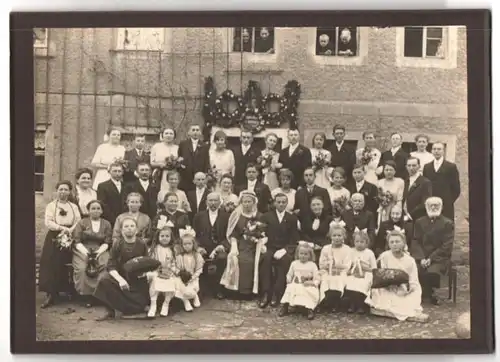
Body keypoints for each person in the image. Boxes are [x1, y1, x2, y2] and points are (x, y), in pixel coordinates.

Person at [93, 217, 150, 320]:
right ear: (122, 230)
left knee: (140, 303)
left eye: (132, 226)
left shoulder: (142, 244)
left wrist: (143, 273)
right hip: (121, 277)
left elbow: (146, 263)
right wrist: (120, 280)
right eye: (126, 226)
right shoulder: (117, 244)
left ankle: (134, 309)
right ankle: (110, 310)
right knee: (103, 279)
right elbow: (111, 265)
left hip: (136, 279)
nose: (129, 229)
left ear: (136, 229)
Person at [367, 229, 429, 323]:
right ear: (388, 244)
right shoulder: (385, 256)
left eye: (397, 241)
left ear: (403, 243)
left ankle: (405, 311)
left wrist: (407, 290)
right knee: (385, 299)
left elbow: (414, 280)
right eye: (392, 242)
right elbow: (383, 276)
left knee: (407, 301)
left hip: (405, 288)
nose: (394, 244)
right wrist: (390, 287)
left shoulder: (410, 260)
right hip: (388, 287)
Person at [39, 181, 82, 308]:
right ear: (57, 191)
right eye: (60, 189)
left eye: (66, 190)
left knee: (68, 262)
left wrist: (70, 230)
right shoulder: (51, 206)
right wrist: (62, 228)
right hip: (55, 236)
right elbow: (48, 222)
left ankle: (69, 291)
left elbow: (78, 220)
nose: (63, 192)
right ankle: (51, 293)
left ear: (70, 192)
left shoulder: (73, 206)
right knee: (52, 262)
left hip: (70, 235)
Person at [220, 191, 265, 299]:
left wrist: (259, 240)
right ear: (241, 202)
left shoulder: (259, 216)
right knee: (238, 258)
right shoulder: (237, 215)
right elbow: (233, 233)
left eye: (249, 202)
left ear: (254, 203)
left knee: (252, 260)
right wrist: (234, 245)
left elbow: (263, 232)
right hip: (240, 243)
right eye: (244, 202)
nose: (247, 204)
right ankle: (236, 291)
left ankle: (249, 292)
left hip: (255, 244)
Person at [410, 197, 454, 305]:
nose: (433, 207)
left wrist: (431, 258)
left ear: (441, 207)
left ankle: (430, 293)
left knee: (432, 271)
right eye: (431, 205)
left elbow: (447, 245)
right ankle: (420, 293)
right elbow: (416, 241)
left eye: (436, 205)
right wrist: (421, 258)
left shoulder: (447, 223)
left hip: (439, 257)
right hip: (422, 256)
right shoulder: (419, 222)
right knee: (415, 269)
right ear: (426, 207)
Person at [259, 193, 300, 308]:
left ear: (286, 203)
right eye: (278, 202)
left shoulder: (292, 218)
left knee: (285, 261)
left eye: (283, 202)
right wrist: (262, 243)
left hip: (284, 248)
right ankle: (266, 293)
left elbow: (294, 238)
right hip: (270, 247)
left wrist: (285, 249)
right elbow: (261, 234)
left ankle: (277, 293)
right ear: (274, 203)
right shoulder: (266, 216)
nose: (281, 204)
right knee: (265, 259)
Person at [72, 200, 112, 307]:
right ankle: (87, 296)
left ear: (102, 211)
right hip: (82, 249)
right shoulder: (82, 223)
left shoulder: (106, 223)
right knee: (82, 267)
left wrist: (98, 252)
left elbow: (107, 241)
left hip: (100, 249)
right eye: (93, 208)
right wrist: (87, 253)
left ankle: (100, 295)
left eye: (98, 208)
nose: (95, 211)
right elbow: (77, 240)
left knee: (105, 265)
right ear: (88, 210)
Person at [192, 192, 230, 299]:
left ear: (220, 202)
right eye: (210, 200)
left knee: (223, 258)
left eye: (215, 200)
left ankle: (218, 288)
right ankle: (201, 289)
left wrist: (222, 246)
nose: (213, 203)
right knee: (197, 258)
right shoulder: (199, 216)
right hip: (203, 247)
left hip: (219, 247)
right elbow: (194, 234)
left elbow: (230, 235)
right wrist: (198, 247)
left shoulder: (226, 216)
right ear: (206, 202)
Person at [278, 242, 320, 320]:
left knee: (308, 292)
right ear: (298, 254)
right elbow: (289, 274)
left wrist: (313, 283)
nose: (303, 256)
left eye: (305, 254)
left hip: (308, 284)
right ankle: (285, 306)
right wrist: (289, 279)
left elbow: (317, 278)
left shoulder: (312, 265)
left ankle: (309, 309)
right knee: (290, 289)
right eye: (301, 254)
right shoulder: (294, 263)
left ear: (310, 255)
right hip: (296, 284)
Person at [422, 142, 461, 221]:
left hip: (446, 204)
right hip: (431, 203)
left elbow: (456, 188)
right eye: (434, 149)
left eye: (439, 149)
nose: (436, 151)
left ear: (443, 151)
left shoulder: (451, 167)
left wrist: (448, 201)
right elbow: (425, 186)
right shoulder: (427, 167)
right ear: (432, 151)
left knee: (446, 226)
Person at [147, 226, 179, 318]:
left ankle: (166, 304)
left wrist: (172, 270)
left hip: (168, 272)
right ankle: (153, 304)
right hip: (157, 271)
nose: (164, 238)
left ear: (171, 237)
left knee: (172, 281)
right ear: (158, 237)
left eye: (167, 236)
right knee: (154, 281)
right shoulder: (154, 249)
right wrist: (157, 269)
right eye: (162, 236)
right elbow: (150, 262)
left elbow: (174, 263)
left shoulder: (173, 249)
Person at [318, 224, 351, 312]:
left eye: (339, 235)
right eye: (334, 235)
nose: (337, 238)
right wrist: (328, 265)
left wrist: (336, 266)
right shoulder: (326, 248)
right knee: (325, 278)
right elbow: (321, 264)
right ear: (330, 236)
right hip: (327, 271)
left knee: (338, 279)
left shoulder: (347, 249)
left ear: (343, 236)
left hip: (341, 272)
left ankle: (335, 302)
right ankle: (324, 301)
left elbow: (347, 265)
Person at [343, 230, 376, 314]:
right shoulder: (351, 251)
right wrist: (350, 271)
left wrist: (364, 269)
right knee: (351, 281)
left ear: (366, 243)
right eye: (357, 241)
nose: (359, 244)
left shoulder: (369, 253)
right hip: (354, 272)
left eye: (362, 242)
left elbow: (374, 268)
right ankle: (352, 304)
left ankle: (360, 305)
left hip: (366, 272)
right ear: (353, 242)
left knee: (363, 283)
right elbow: (347, 265)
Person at [174, 227, 205, 311]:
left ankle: (195, 296)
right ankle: (186, 301)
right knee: (179, 286)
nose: (187, 246)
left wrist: (192, 277)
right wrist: (180, 273)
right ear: (182, 245)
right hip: (182, 276)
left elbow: (199, 269)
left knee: (192, 287)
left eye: (189, 244)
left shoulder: (197, 255)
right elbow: (176, 267)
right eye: (185, 244)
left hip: (192, 277)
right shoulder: (179, 256)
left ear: (193, 244)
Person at [178, 123, 210, 192]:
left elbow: (206, 161)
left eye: (197, 130)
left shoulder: (204, 146)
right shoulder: (183, 144)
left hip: (199, 177)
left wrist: (204, 175)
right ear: (189, 132)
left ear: (200, 132)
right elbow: (179, 158)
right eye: (193, 130)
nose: (195, 132)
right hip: (185, 177)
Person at [149, 127, 179, 193]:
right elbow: (152, 162)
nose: (168, 135)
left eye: (171, 133)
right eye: (166, 133)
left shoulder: (177, 148)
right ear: (162, 135)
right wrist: (160, 164)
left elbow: (179, 161)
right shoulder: (156, 146)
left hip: (173, 173)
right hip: (159, 173)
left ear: (174, 136)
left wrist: (174, 164)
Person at [402, 157, 432, 222]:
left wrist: (410, 216)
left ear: (419, 166)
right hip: (404, 218)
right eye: (409, 165)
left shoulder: (425, 182)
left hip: (418, 219)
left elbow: (425, 203)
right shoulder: (405, 181)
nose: (411, 168)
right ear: (406, 167)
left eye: (414, 165)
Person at [96, 161, 125, 226]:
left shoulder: (126, 186)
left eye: (119, 171)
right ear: (109, 172)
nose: (117, 173)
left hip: (124, 220)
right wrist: (114, 220)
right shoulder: (102, 186)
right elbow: (103, 204)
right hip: (109, 220)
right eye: (115, 171)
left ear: (122, 172)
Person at [377, 161, 404, 227]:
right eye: (386, 170)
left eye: (391, 170)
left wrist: (397, 211)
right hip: (383, 209)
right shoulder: (379, 182)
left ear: (395, 171)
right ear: (383, 171)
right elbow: (379, 197)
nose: (389, 172)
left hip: (395, 207)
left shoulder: (400, 181)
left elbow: (399, 199)